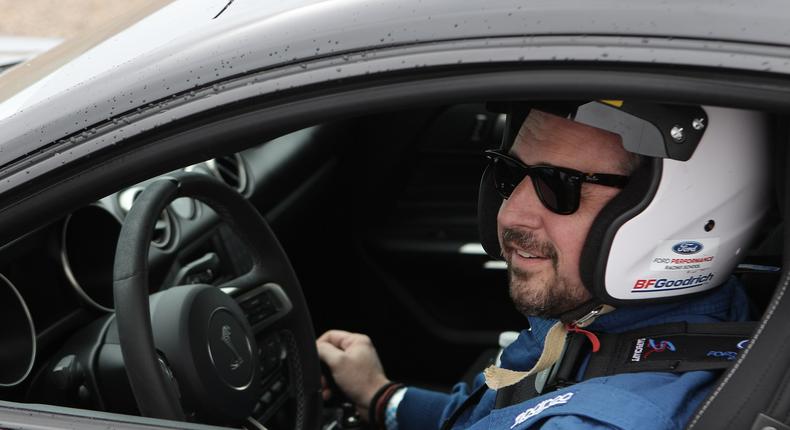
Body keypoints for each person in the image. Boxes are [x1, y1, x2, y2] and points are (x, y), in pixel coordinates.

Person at [317, 101, 770, 429]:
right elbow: (499, 408)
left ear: (678, 211)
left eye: (562, 186)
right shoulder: (608, 318)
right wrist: (382, 397)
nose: (510, 214)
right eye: (511, 175)